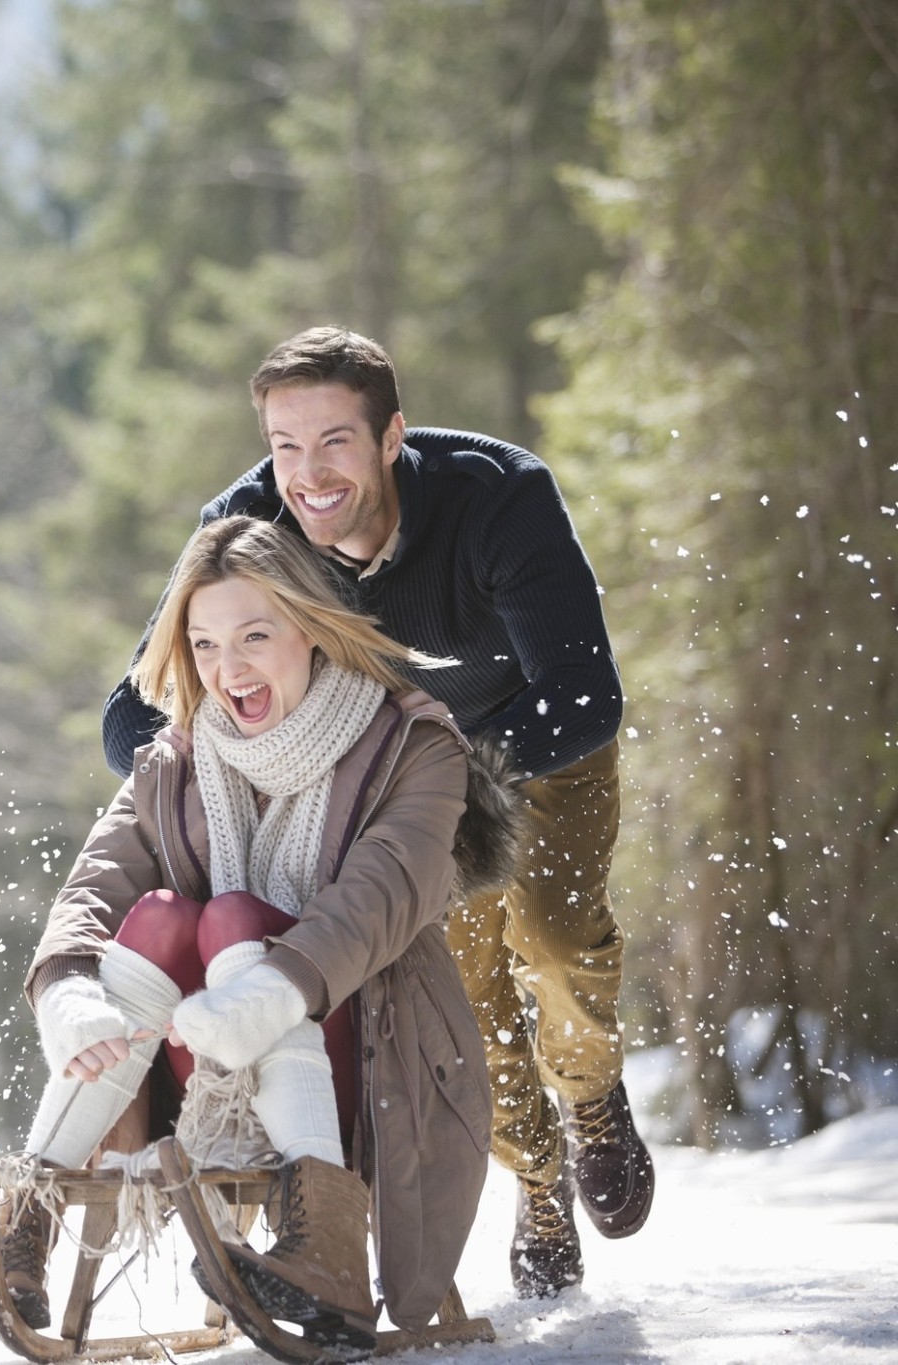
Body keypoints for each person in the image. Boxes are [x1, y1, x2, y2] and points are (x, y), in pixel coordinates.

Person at [101, 326, 654, 1298]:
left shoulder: (494, 500)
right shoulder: (245, 525)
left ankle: (592, 1099)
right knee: (463, 997)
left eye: (334, 443)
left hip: (531, 752)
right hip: (395, 783)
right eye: (283, 446)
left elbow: (582, 695)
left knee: (554, 938)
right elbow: (132, 713)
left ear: (391, 435)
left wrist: (455, 778)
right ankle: (535, 1188)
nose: (306, 476)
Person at [0, 516, 519, 1347]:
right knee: (162, 916)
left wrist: (267, 992)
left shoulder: (410, 748)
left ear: (309, 628)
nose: (226, 668)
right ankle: (28, 1217)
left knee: (233, 916)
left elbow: (378, 898)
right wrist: (67, 990)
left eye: (253, 636)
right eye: (203, 645)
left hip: (368, 1063)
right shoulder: (178, 758)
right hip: (202, 1072)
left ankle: (329, 1243)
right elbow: (97, 881)